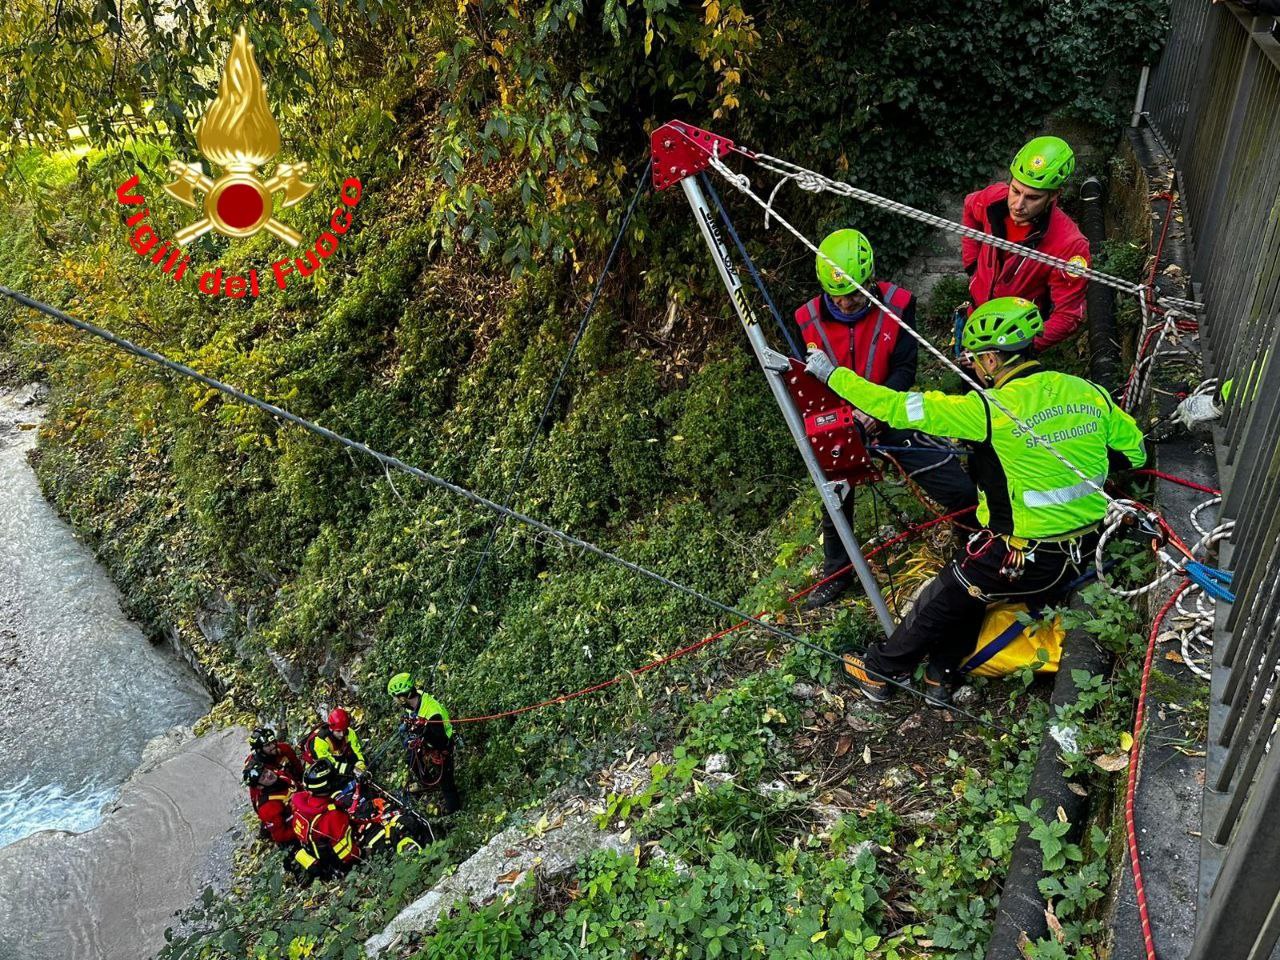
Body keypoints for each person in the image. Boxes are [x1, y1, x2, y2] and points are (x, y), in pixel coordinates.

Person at [803, 297, 1146, 705]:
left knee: (947, 593)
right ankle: (938, 678)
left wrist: (832, 374)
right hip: (1089, 550)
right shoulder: (1087, 391)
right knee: (969, 592)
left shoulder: (988, 410)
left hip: (1026, 557)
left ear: (992, 361)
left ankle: (880, 670)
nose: (975, 367)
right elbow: (1134, 453)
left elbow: (893, 407)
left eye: (977, 359)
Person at [797, 229, 978, 610]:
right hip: (841, 421)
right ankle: (837, 572)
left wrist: (877, 410)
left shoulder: (897, 304)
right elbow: (805, 382)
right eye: (837, 297)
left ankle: (972, 549)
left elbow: (904, 366)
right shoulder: (806, 320)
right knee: (836, 493)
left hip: (890, 409)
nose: (846, 304)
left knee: (955, 486)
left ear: (870, 281)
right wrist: (843, 419)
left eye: (854, 294)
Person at [961, 137, 1090, 353]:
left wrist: (1021, 348)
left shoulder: (1070, 245)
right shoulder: (993, 200)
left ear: (1054, 195)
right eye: (1015, 191)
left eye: (1032, 197)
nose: (1018, 205)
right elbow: (969, 208)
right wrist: (972, 266)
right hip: (975, 319)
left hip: (1014, 345)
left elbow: (1068, 316)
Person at [387, 671, 461, 814]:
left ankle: (455, 812)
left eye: (395, 697)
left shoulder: (432, 712)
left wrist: (423, 730)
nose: (395, 701)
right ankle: (427, 782)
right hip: (425, 740)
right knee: (411, 758)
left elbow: (441, 741)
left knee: (447, 783)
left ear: (403, 697)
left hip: (442, 745)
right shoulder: (414, 700)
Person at [289, 759, 360, 881]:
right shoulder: (331, 815)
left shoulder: (300, 805)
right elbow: (346, 851)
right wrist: (361, 853)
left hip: (313, 852)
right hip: (336, 862)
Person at [302, 708, 367, 787]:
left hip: (337, 760)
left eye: (344, 730)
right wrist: (351, 769)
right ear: (331, 728)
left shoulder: (349, 733)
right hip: (316, 771)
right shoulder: (320, 741)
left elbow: (356, 751)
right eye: (338, 731)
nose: (342, 734)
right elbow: (329, 764)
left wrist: (360, 764)